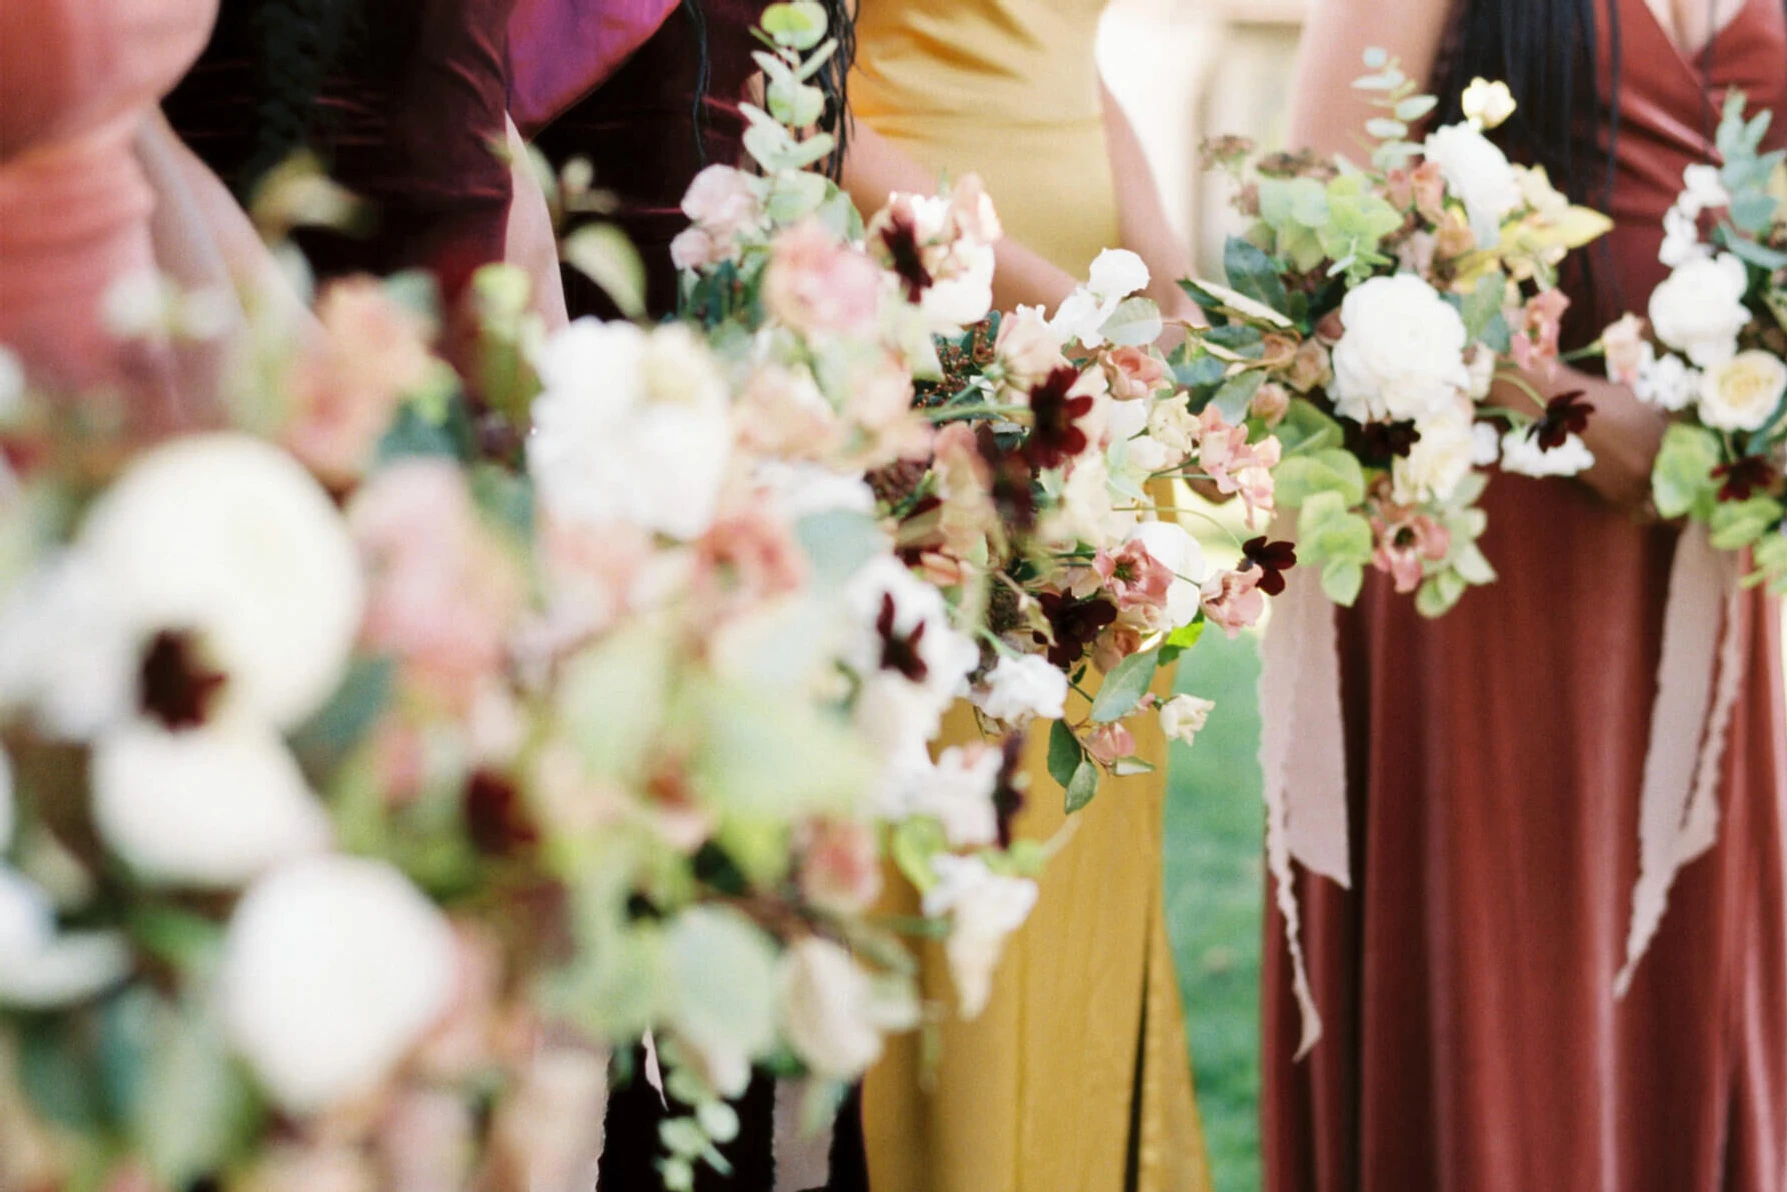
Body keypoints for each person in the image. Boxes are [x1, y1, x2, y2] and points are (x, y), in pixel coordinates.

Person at [1264, 2, 1787, 1189]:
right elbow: (1313, 233)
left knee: (1679, 1004)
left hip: (1699, 560)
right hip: (1481, 557)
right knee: (1511, 989)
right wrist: (1551, 397)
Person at [840, 5, 1214, 1191]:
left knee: (1082, 796)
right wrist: (1045, 302)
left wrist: (1161, 270)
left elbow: (1071, 62)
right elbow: (797, 93)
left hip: (1093, 362)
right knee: (968, 808)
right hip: (929, 322)